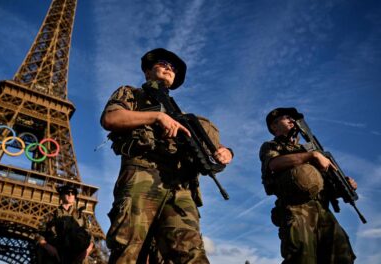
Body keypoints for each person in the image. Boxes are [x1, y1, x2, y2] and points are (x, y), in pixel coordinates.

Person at [101, 48, 234, 263]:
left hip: (180, 185)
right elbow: (110, 118)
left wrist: (226, 152)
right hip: (142, 174)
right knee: (128, 250)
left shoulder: (183, 116)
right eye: (163, 64)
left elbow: (212, 149)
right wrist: (156, 117)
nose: (168, 68)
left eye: (173, 68)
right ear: (147, 72)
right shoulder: (131, 93)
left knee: (191, 254)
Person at [259, 107, 357, 264]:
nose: (292, 120)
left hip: (322, 209)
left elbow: (324, 184)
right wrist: (312, 156)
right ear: (274, 126)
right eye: (286, 118)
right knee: (302, 257)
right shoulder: (272, 146)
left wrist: (344, 184)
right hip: (296, 209)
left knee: (341, 256)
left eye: (293, 118)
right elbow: (274, 164)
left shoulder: (310, 149)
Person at [36, 184, 94, 264]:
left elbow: (91, 238)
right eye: (67, 192)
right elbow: (39, 235)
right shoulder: (50, 216)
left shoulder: (83, 217)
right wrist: (48, 246)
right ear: (61, 196)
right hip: (56, 257)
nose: (70, 194)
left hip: (78, 258)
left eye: (73, 193)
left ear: (75, 197)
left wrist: (86, 252)